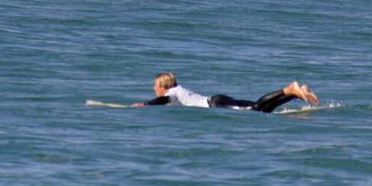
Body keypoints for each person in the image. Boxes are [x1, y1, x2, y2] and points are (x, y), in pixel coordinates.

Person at [131, 72, 319, 112]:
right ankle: (294, 93)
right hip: (216, 100)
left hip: (216, 103)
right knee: (260, 109)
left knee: (255, 107)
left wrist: (145, 104)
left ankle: (289, 89)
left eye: (156, 85)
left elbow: (162, 101)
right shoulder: (177, 91)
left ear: (163, 86)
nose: (154, 89)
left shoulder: (170, 94)